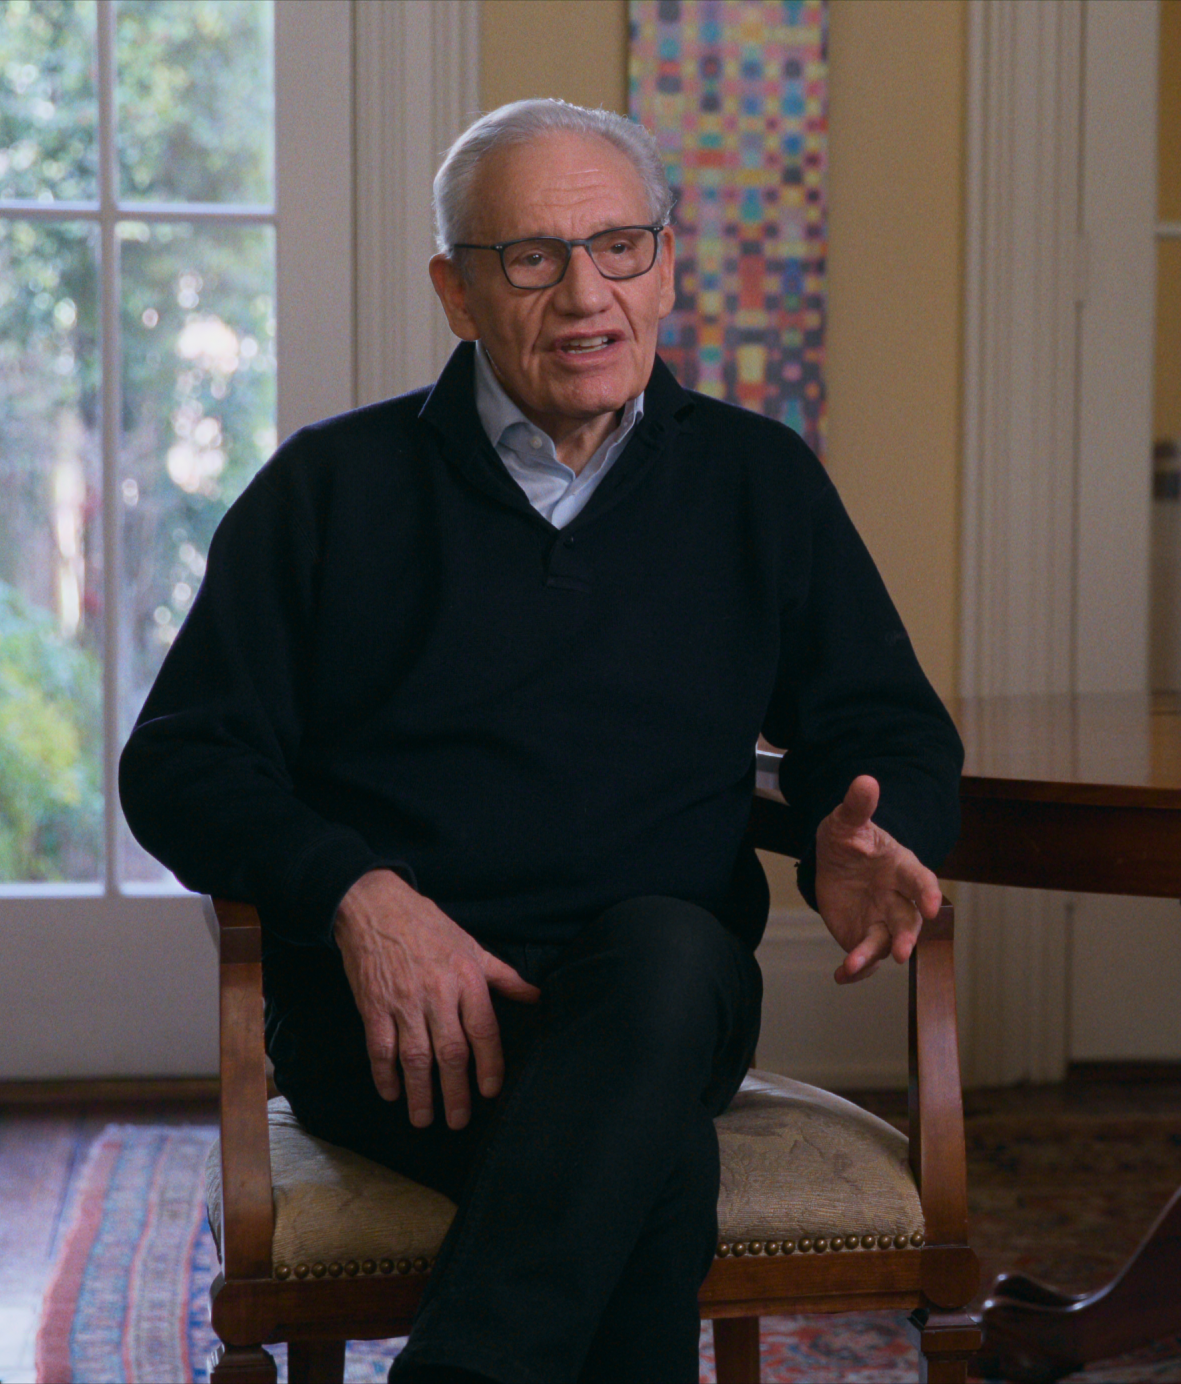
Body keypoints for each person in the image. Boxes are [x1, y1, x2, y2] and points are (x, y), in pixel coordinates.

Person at [119, 98, 963, 1384]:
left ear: (664, 266)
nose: (584, 295)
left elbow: (884, 722)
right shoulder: (329, 489)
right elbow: (181, 761)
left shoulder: (757, 482)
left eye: (619, 247)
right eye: (531, 258)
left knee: (664, 953)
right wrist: (358, 894)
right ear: (457, 293)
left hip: (663, 999)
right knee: (649, 1168)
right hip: (394, 1029)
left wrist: (873, 828)